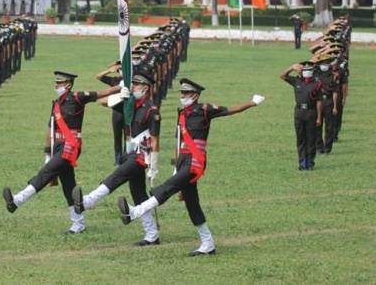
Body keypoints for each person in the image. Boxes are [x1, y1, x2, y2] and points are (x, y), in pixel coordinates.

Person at [117, 78, 264, 256]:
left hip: (195, 161)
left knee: (167, 187)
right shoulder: (181, 114)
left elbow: (229, 110)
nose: (183, 96)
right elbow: (179, 141)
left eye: (186, 93)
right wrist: (175, 166)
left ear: (195, 95)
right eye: (182, 93)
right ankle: (208, 243)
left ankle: (134, 212)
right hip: (183, 160)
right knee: (192, 204)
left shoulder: (204, 109)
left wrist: (252, 102)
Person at [2, 71, 121, 233]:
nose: (56, 85)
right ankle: (78, 223)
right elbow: (50, 129)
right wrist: (47, 155)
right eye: (56, 82)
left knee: (46, 172)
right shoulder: (56, 103)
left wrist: (120, 88)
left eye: (59, 83)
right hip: (58, 145)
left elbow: (102, 93)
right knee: (68, 184)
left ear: (68, 85)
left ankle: (16, 201)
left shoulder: (78, 97)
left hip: (71, 145)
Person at [73, 73, 161, 246]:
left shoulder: (152, 111)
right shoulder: (132, 105)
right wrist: (122, 96)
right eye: (133, 84)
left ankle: (88, 201)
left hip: (142, 156)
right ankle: (152, 235)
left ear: (146, 88)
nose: (134, 87)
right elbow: (109, 104)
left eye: (136, 84)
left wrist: (153, 166)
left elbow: (155, 140)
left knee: (117, 175)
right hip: (131, 153)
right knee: (139, 195)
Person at [280, 62, 322, 170]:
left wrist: (319, 117)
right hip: (299, 112)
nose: (307, 72)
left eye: (309, 69)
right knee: (300, 138)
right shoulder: (297, 81)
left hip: (311, 112)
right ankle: (302, 162)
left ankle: (310, 162)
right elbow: (282, 76)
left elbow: (319, 102)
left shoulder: (317, 84)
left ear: (312, 71)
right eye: (305, 69)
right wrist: (291, 67)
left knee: (310, 138)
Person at [95, 62, 124, 165]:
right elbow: (98, 76)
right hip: (117, 111)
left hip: (129, 111)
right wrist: (109, 70)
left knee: (129, 136)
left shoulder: (133, 80)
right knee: (117, 137)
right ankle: (118, 159)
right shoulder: (116, 81)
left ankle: (129, 157)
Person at [313, 56, 339, 154]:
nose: (325, 64)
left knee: (329, 126)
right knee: (317, 125)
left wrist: (335, 106)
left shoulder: (333, 76)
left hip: (328, 102)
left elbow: (335, 92)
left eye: (327, 62)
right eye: (323, 62)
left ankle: (328, 148)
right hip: (316, 102)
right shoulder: (315, 74)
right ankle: (319, 147)